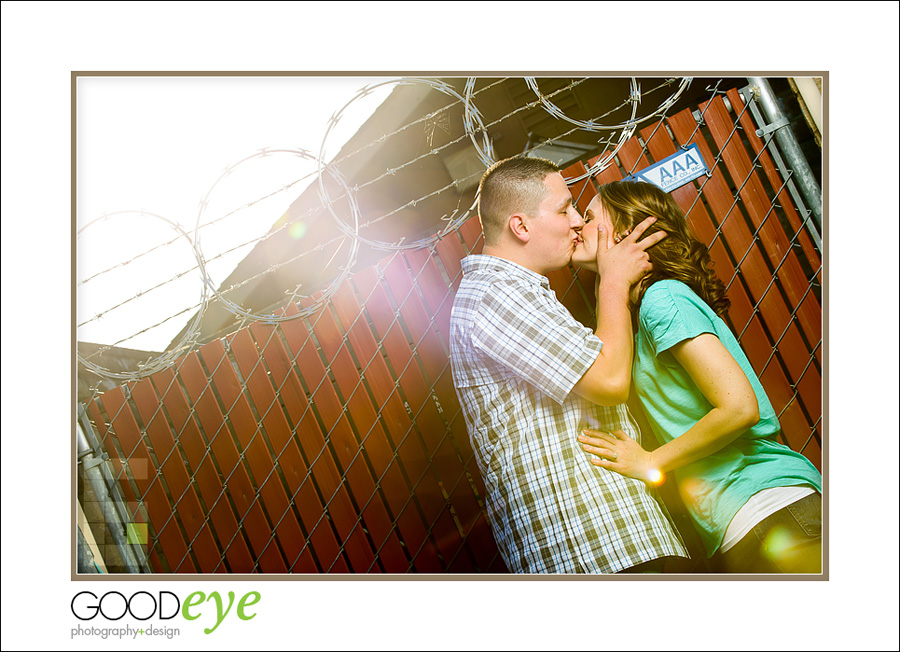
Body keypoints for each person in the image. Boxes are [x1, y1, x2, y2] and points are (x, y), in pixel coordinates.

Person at [449, 157, 689, 573]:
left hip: (610, 542)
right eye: (564, 210)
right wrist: (613, 281)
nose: (578, 222)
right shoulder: (497, 295)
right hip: (593, 549)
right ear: (521, 226)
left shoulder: (518, 293)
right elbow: (611, 380)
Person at [571, 180, 822, 573]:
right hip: (750, 522)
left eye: (587, 217)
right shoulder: (642, 316)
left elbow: (739, 408)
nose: (576, 226)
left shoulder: (662, 299)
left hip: (768, 507)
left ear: (624, 230)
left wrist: (649, 461)